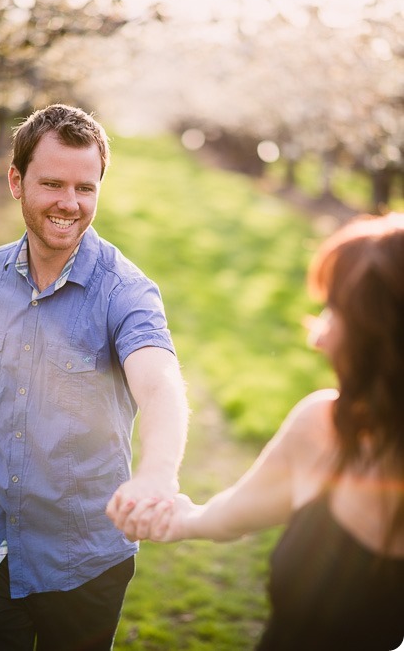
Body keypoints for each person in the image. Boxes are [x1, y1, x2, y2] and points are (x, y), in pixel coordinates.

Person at [0, 103, 189, 651]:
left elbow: (160, 388)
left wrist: (157, 475)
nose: (70, 203)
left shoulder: (126, 292)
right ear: (16, 181)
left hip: (82, 562)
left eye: (86, 187)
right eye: (53, 183)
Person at [109, 212, 404, 651]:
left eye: (335, 313)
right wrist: (175, 517)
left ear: (382, 336)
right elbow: (230, 514)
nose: (317, 338)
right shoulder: (320, 428)